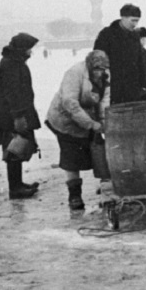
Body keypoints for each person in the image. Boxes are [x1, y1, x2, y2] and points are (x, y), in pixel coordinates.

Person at [45, 50, 111, 210]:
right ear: (89, 65)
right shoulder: (74, 73)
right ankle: (74, 196)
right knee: (71, 157)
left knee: (99, 152)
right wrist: (90, 124)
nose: (99, 72)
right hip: (64, 120)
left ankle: (107, 191)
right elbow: (70, 103)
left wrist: (103, 122)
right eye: (96, 69)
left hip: (86, 115)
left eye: (102, 69)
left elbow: (104, 101)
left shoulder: (106, 77)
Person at [0, 32, 41, 199]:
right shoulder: (11, 64)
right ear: (22, 48)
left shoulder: (14, 61)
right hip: (12, 116)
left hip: (14, 113)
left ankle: (18, 184)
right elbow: (12, 93)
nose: (30, 52)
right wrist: (18, 117)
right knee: (13, 150)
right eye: (29, 49)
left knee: (17, 148)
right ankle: (15, 188)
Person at [93, 4, 146, 104]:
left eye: (137, 21)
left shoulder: (134, 37)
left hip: (133, 87)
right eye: (132, 20)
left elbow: (140, 63)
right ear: (123, 18)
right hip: (113, 86)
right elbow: (98, 60)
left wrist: (145, 85)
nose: (135, 24)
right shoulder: (107, 34)